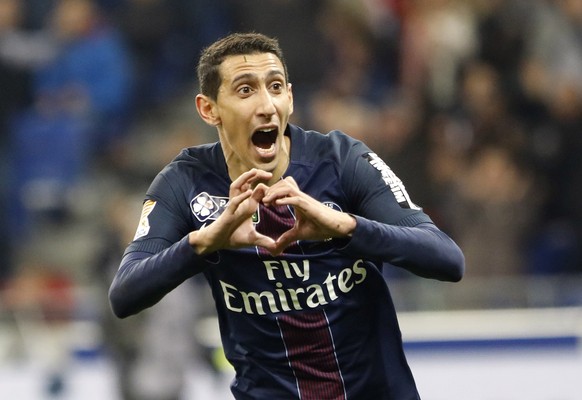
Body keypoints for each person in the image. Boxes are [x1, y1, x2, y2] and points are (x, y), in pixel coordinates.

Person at [109, 32, 465, 400]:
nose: (266, 105)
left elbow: (447, 258)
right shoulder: (185, 182)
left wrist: (345, 227)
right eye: (245, 90)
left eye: (275, 87)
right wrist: (204, 242)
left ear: (290, 98)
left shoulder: (342, 162)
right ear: (208, 109)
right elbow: (125, 294)